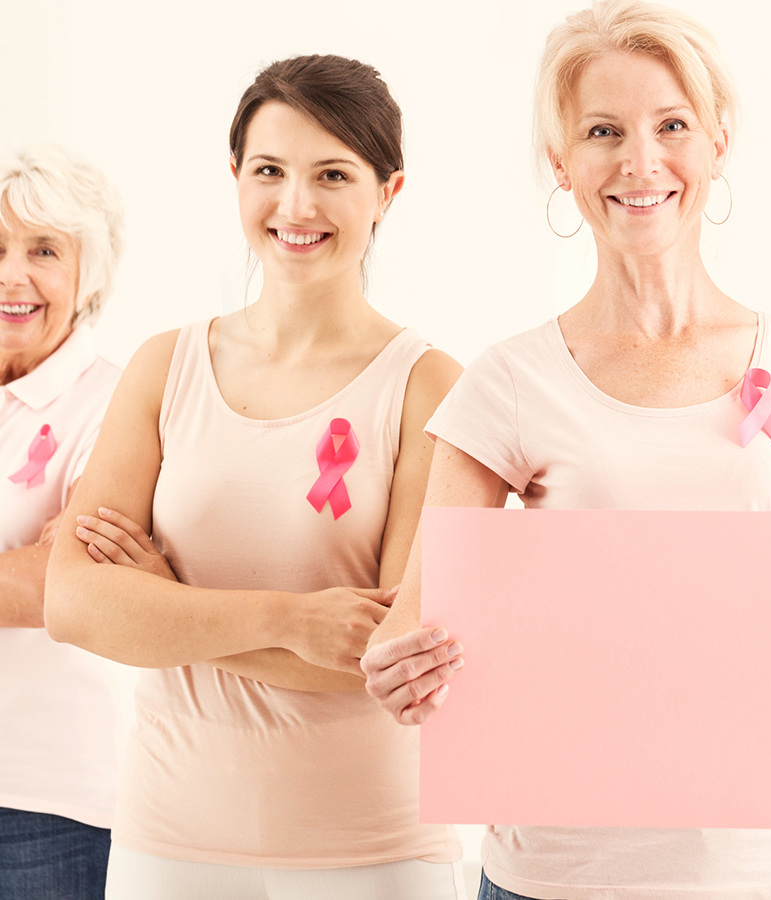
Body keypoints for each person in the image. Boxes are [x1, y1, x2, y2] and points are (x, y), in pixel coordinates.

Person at [361, 3, 771, 899]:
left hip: (757, 871)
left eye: (671, 125)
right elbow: (418, 615)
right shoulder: (508, 382)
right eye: (604, 131)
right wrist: (399, 669)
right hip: (554, 873)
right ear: (560, 163)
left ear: (718, 141)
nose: (641, 162)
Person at [44, 55, 465, 899]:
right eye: (269, 171)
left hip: (376, 851)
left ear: (389, 193)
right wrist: (288, 619)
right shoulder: (165, 366)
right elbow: (74, 604)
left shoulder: (429, 384)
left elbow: (393, 659)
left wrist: (166, 606)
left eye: (333, 174)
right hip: (168, 842)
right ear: (235, 177)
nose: (296, 205)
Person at [0, 145, 125, 900]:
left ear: (89, 273)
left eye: (43, 249)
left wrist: (43, 568)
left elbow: (63, 584)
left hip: (43, 798)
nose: (12, 274)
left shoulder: (112, 403)